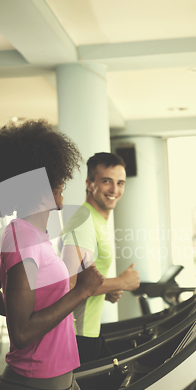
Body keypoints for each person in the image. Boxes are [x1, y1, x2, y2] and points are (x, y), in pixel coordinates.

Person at [0, 119, 104, 390]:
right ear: (38, 187)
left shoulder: (30, 236)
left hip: (60, 379)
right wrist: (81, 291)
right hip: (36, 388)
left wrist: (28, 312)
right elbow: (21, 333)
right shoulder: (23, 240)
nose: (62, 183)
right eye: (57, 178)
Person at [61, 152, 140, 364]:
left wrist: (107, 291)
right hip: (78, 337)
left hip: (89, 332)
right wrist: (122, 282)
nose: (115, 190)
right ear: (89, 184)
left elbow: (85, 280)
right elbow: (70, 285)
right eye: (107, 182)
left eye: (120, 183)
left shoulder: (96, 220)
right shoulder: (84, 222)